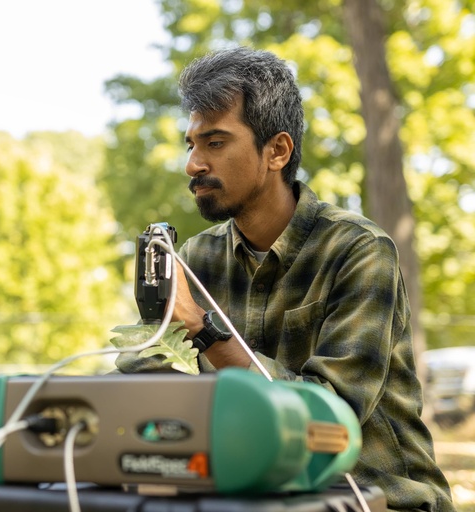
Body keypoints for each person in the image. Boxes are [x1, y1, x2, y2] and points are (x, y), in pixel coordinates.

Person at [116, 46, 454, 511]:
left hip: (374, 498)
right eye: (190, 145)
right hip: (246, 497)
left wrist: (201, 329)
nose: (193, 164)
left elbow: (326, 423)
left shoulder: (358, 251)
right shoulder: (194, 259)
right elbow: (144, 386)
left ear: (277, 151)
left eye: (215, 143)